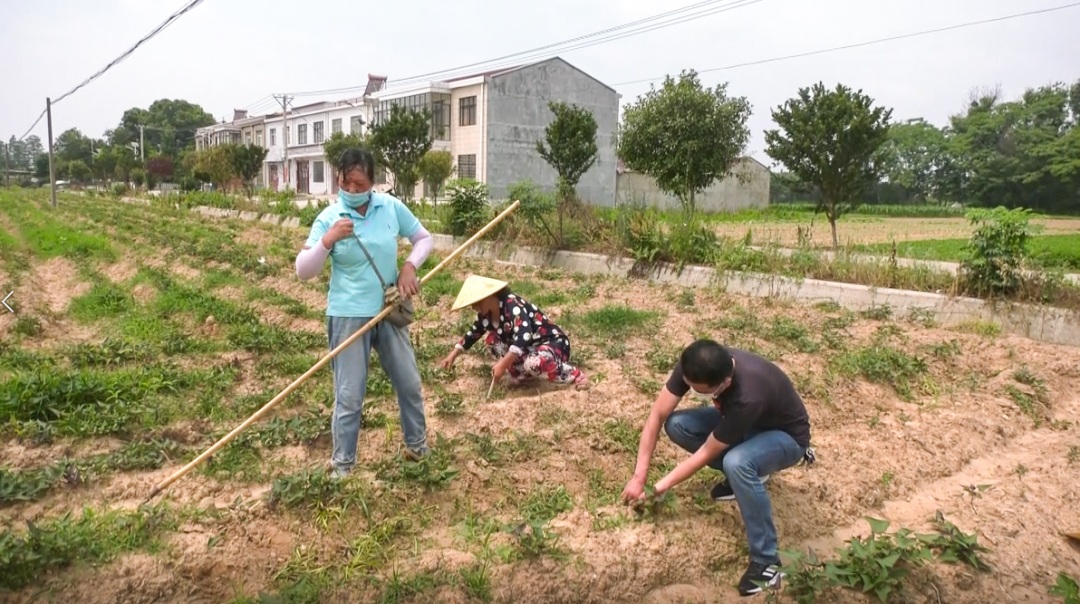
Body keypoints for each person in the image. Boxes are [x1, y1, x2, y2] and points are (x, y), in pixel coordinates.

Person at [620, 339, 814, 596]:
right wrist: (638, 477)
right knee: (678, 425)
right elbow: (657, 415)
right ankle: (748, 475)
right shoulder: (695, 363)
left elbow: (705, 453)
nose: (696, 393)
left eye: (703, 392)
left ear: (726, 383)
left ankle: (767, 562)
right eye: (691, 388)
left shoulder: (748, 395)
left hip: (785, 438)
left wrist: (657, 488)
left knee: (738, 463)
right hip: (742, 425)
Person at [294, 148, 435, 478]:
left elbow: (424, 239)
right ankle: (343, 466)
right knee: (350, 395)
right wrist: (327, 241)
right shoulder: (330, 218)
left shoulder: (390, 208)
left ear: (373, 182)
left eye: (360, 184)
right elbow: (303, 270)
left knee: (409, 382)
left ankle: (418, 448)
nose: (352, 190)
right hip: (348, 316)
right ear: (339, 179)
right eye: (346, 183)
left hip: (388, 311)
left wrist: (410, 266)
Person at [438, 275, 589, 390]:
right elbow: (473, 334)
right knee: (492, 340)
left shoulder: (512, 305)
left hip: (552, 344)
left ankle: (574, 375)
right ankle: (523, 374)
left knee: (534, 363)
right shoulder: (486, 316)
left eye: (477, 303)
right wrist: (453, 355)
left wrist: (503, 364)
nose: (474, 307)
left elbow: (523, 337)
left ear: (490, 296)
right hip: (528, 349)